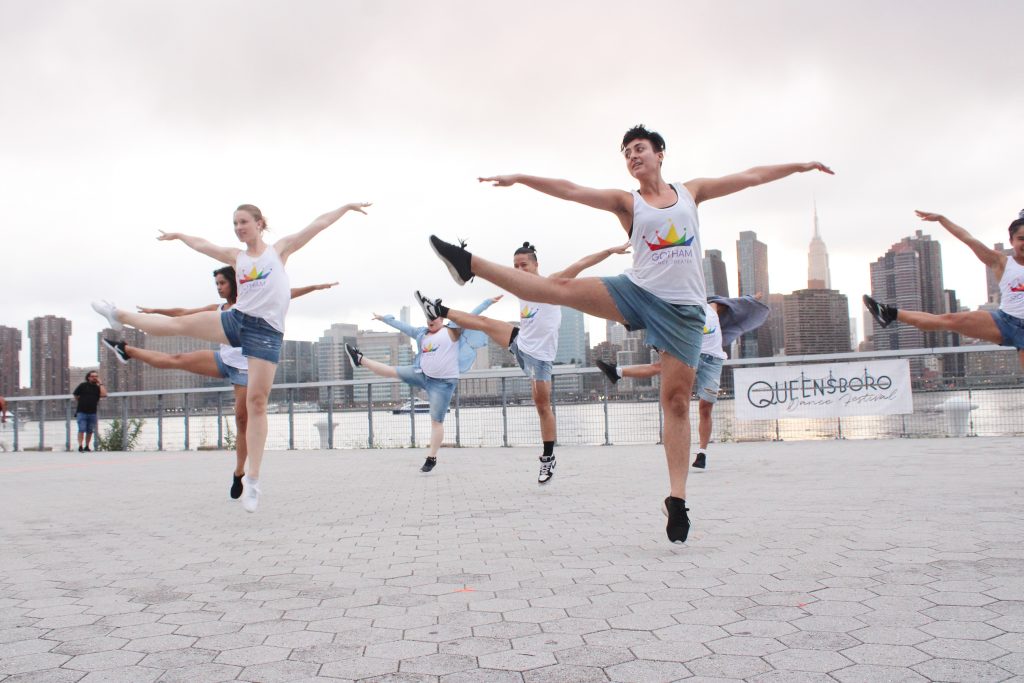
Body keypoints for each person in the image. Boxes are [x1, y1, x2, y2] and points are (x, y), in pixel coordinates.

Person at [429, 124, 831, 543]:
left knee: (676, 402)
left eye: (639, 149)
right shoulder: (628, 202)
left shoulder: (692, 192)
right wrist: (520, 178)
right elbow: (570, 189)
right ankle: (467, 262)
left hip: (684, 315)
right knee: (559, 288)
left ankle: (676, 499)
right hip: (638, 292)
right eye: (626, 153)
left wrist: (799, 167)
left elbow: (749, 176)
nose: (632, 156)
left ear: (660, 154)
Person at [92, 201, 370, 512]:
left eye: (243, 222)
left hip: (266, 333)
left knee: (257, 403)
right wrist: (181, 235)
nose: (238, 228)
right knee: (178, 324)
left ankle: (252, 479)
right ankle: (117, 315)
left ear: (259, 223)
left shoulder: (278, 250)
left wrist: (345, 207)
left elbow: (316, 225)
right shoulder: (235, 257)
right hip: (236, 320)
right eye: (235, 223)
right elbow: (203, 245)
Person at [100, 266, 338, 500]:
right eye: (216, 284)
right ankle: (126, 350)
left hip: (247, 370)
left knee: (242, 420)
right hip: (223, 360)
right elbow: (183, 313)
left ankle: (239, 472)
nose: (219, 288)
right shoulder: (218, 308)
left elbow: (286, 293)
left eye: (222, 283)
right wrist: (154, 311)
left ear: (234, 283)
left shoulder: (254, 303)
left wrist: (314, 287)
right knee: (178, 359)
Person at [416, 241, 630, 483]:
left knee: (542, 406)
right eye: (515, 266)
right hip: (520, 343)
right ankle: (438, 309)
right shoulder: (519, 288)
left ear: (536, 265)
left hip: (540, 359)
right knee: (485, 322)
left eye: (524, 265)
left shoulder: (552, 283)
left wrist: (609, 252)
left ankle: (548, 458)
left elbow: (580, 264)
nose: (519, 270)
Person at [596, 294, 769, 471]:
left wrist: (751, 298)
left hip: (713, 361)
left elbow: (735, 304)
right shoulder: (682, 311)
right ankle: (616, 372)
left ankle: (702, 453)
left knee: (705, 407)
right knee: (659, 367)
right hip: (690, 356)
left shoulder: (713, 307)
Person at [345, 294, 500, 473]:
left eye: (433, 318)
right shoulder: (421, 334)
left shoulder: (452, 330)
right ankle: (359, 359)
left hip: (442, 385)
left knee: (436, 422)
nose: (430, 321)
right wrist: (384, 319)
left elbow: (471, 316)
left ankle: (432, 457)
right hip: (421, 374)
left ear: (442, 318)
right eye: (428, 318)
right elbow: (403, 327)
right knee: (389, 371)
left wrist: (487, 302)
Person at [865, 210, 1024, 368]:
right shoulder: (1001, 262)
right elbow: (968, 238)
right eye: (1021, 239)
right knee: (948, 320)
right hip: (1004, 321)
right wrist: (942, 219)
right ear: (1011, 241)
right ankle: (888, 313)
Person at [72, 371, 107, 452]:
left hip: (92, 412)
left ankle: (87, 446)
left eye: (96, 376)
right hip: (81, 411)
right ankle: (80, 446)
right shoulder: (83, 385)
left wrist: (100, 383)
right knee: (81, 429)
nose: (95, 378)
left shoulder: (97, 387)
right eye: (93, 376)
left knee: (90, 430)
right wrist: (81, 401)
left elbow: (104, 394)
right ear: (88, 377)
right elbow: (75, 394)